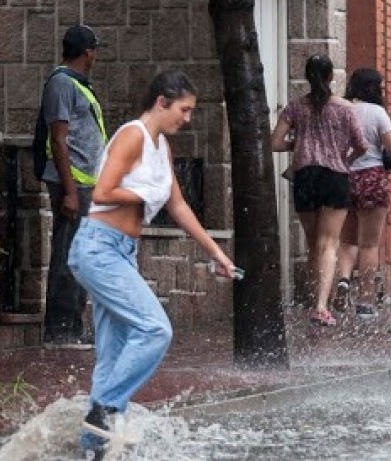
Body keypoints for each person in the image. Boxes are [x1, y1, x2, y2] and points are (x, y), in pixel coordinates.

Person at [68, 70, 237, 457]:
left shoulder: (161, 147)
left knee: (113, 354)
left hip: (122, 252)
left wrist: (217, 253)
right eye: (184, 109)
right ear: (162, 102)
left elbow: (178, 205)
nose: (187, 118)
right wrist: (142, 193)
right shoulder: (133, 135)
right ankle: (104, 410)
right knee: (155, 329)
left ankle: (93, 448)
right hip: (99, 248)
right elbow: (103, 191)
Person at [271, 54, 368, 327]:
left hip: (305, 177)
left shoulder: (295, 108)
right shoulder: (345, 109)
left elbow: (275, 143)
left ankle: (315, 299)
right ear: (331, 77)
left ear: (307, 76)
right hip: (335, 177)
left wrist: (299, 143)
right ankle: (321, 306)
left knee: (313, 244)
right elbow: (362, 145)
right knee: (328, 244)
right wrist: (345, 159)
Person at [40, 24, 107, 346]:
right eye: (95, 50)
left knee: (81, 256)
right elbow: (58, 138)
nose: (96, 56)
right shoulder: (62, 84)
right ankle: (61, 330)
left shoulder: (78, 85)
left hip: (85, 185)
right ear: (88, 52)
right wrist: (69, 191)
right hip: (73, 185)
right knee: (69, 256)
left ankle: (73, 327)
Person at [334, 68, 391, 319]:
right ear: (374, 88)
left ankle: (344, 279)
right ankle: (365, 301)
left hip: (343, 178)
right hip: (371, 178)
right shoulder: (377, 112)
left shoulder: (341, 110)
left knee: (347, 240)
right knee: (369, 244)